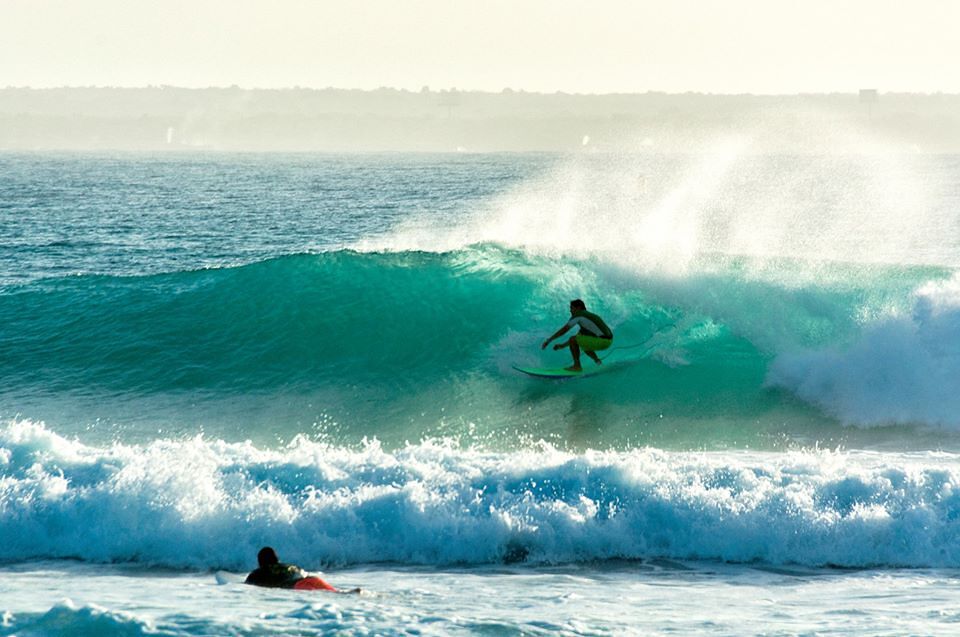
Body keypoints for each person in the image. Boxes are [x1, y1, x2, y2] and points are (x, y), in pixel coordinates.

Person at [541, 299, 613, 371]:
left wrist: (549, 340)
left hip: (602, 341)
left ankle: (577, 366)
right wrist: (562, 346)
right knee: (583, 343)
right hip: (608, 341)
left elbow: (564, 330)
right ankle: (598, 362)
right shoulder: (588, 318)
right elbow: (578, 338)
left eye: (571, 308)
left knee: (574, 339)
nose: (570, 311)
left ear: (578, 308)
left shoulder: (579, 315)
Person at [245, 546, 337, 591]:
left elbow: (249, 585)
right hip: (314, 579)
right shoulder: (290, 566)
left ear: (261, 562)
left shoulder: (258, 573)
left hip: (299, 586)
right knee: (338, 594)